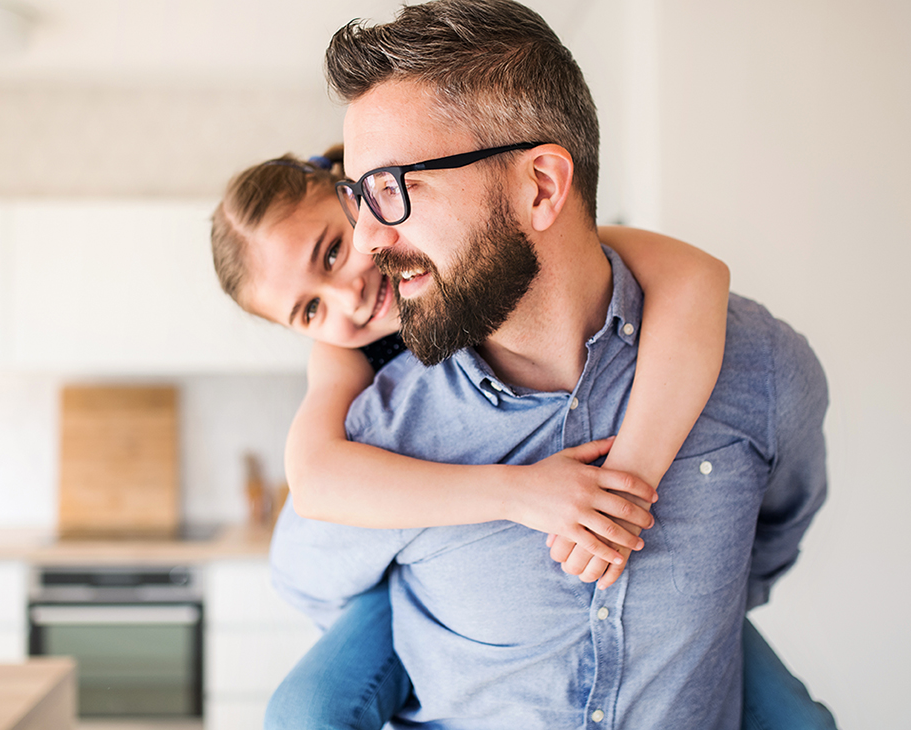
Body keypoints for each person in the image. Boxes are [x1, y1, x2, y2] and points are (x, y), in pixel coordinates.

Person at [260, 1, 834, 728]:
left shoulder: (759, 366)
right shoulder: (380, 431)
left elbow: (771, 535)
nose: (368, 240)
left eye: (394, 189)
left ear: (540, 187)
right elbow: (310, 584)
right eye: (360, 196)